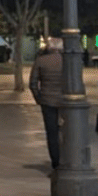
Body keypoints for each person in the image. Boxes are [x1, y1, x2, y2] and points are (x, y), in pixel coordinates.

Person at [29, 37, 63, 170]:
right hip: (65, 102)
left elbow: (32, 83)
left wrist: (39, 98)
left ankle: (56, 162)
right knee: (67, 132)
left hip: (48, 101)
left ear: (49, 47)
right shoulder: (67, 61)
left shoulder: (41, 61)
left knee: (52, 133)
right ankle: (67, 160)